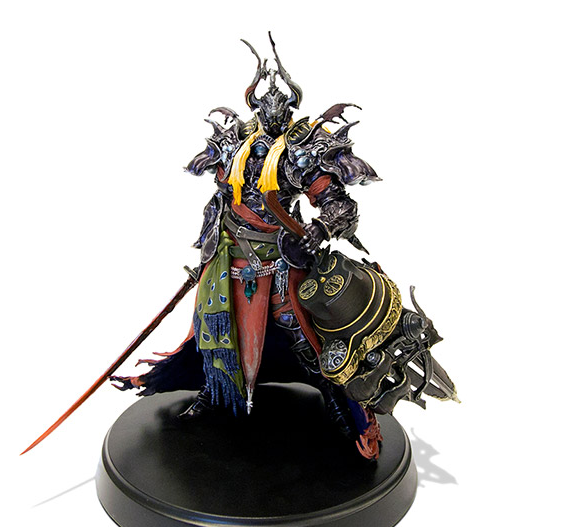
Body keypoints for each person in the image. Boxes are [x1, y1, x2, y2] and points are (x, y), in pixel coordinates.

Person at [110, 34, 456, 459]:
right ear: (255, 107)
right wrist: (208, 250)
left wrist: (320, 229)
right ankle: (215, 394)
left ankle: (345, 411)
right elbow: (220, 198)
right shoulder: (235, 141)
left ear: (290, 107)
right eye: (264, 106)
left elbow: (339, 205)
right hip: (227, 258)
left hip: (279, 262)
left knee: (309, 343)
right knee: (213, 334)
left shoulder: (303, 148)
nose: (272, 111)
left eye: (280, 106)